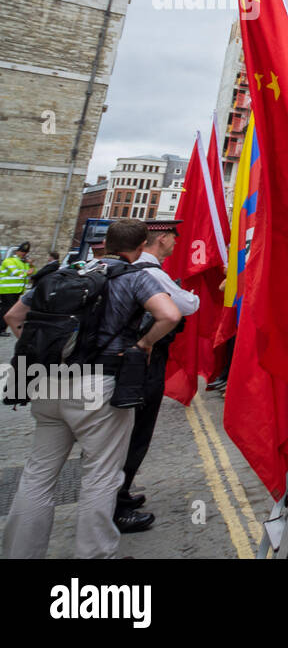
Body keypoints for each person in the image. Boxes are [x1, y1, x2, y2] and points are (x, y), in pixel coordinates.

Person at [3, 220, 181, 559]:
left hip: (46, 380)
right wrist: (143, 345)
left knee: (38, 474)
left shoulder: (70, 271)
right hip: (98, 384)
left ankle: (20, 553)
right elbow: (169, 315)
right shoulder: (134, 276)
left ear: (107, 242)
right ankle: (96, 555)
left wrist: (48, 354)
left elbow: (14, 317)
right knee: (101, 474)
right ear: (142, 244)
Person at [115, 220, 201, 534]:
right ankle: (116, 505)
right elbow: (184, 306)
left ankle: (118, 495)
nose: (177, 244)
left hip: (118, 361)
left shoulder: (119, 268)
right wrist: (146, 343)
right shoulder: (149, 272)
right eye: (174, 238)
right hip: (141, 362)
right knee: (134, 434)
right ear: (161, 239)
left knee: (123, 434)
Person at [0, 240, 34, 335]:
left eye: (26, 252)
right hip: (6, 289)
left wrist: (31, 265)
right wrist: (27, 272)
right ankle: (1, 329)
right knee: (8, 310)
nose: (24, 254)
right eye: (22, 252)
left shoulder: (24, 263)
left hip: (16, 290)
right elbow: (16, 273)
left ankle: (2, 328)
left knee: (6, 309)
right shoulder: (9, 261)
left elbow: (34, 273)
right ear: (17, 252)